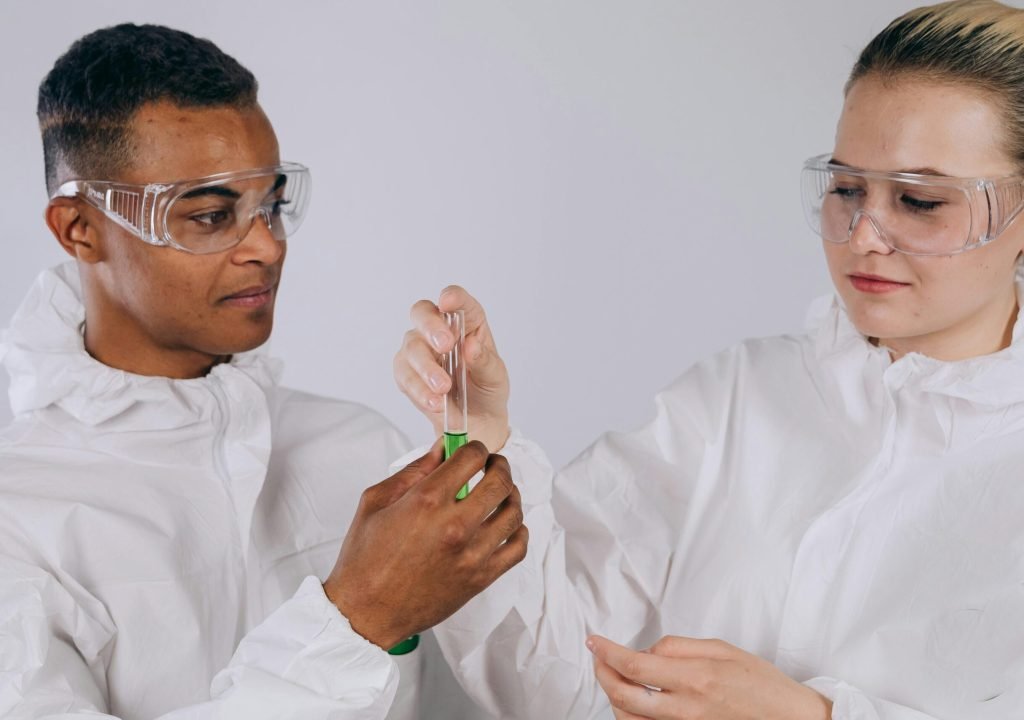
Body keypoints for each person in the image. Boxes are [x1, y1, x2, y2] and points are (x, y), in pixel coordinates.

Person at [393, 1, 1024, 717]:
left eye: (919, 199)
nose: (865, 235)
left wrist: (812, 717)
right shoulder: (739, 397)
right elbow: (547, 683)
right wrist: (482, 444)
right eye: (846, 189)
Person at [0, 23, 527, 720]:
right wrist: (358, 619)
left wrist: (487, 449)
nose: (266, 247)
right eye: (213, 215)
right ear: (79, 228)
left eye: (272, 206)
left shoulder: (358, 452)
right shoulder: (21, 516)